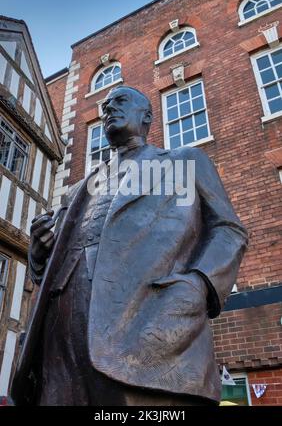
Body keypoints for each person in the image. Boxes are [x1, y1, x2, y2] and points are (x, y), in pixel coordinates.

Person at [11, 86, 248, 406]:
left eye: (120, 102)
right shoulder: (83, 185)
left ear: (147, 116)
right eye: (105, 106)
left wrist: (199, 284)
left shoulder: (184, 160)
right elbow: (51, 262)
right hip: (63, 318)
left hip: (144, 312)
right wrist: (40, 251)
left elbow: (228, 229)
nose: (108, 109)